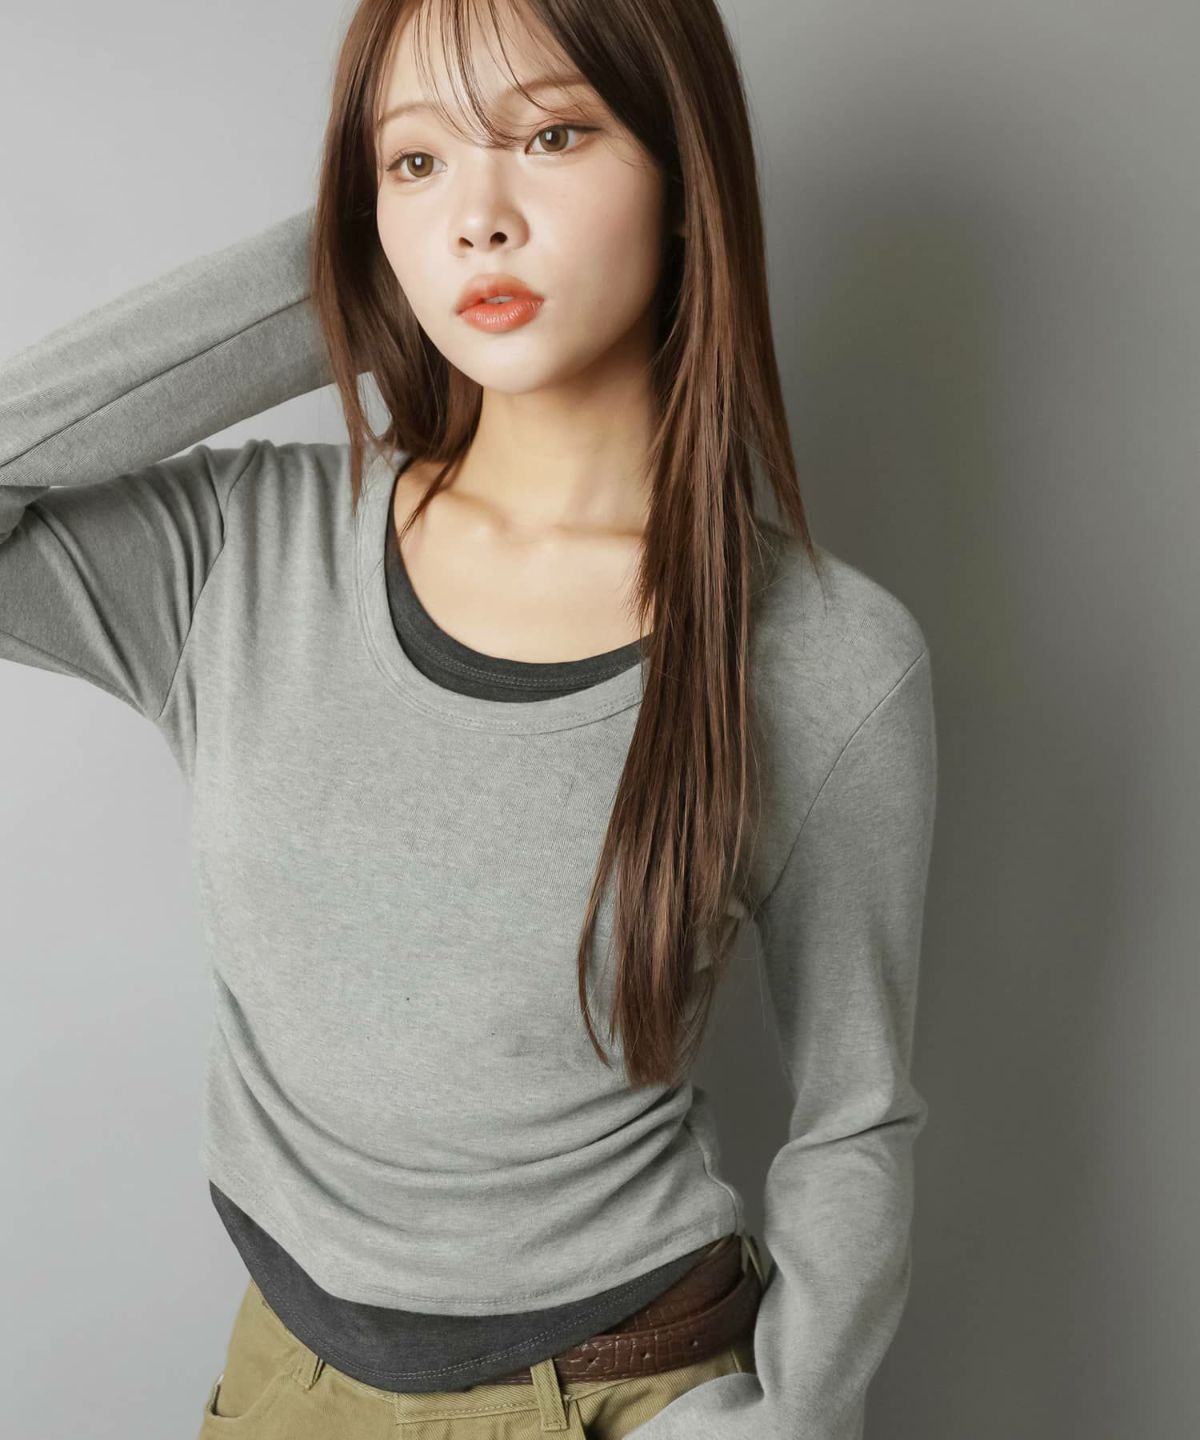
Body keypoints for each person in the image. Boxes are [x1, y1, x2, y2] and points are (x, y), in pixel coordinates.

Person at [0, 0, 938, 1436]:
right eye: (417, 160)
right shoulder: (241, 553)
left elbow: (855, 1114)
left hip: (620, 1392)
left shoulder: (823, 656)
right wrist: (346, 270)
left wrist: (796, 1421)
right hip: (285, 1387)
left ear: (684, 176)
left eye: (552, 137)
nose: (479, 218)